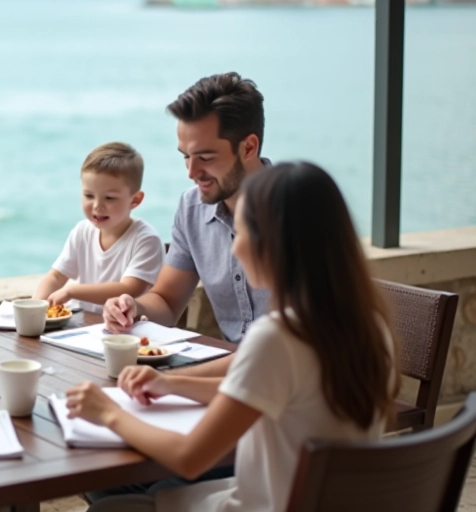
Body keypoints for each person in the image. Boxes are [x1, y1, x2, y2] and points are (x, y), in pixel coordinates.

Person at [66, 162, 401, 512]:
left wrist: (107, 413)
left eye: (241, 234)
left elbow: (189, 457)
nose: (235, 250)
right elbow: (260, 392)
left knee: (113, 505)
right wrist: (171, 383)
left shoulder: (278, 337)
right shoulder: (368, 327)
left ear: (273, 244)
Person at [103, 72, 271, 378]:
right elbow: (166, 302)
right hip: (233, 379)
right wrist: (133, 307)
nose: (192, 172)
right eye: (185, 157)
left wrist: (171, 381)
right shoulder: (191, 208)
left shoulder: (300, 214)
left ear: (248, 148)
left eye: (205, 157)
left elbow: (286, 351)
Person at [33, 142, 164, 314]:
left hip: (130, 330)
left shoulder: (146, 240)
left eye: (109, 198)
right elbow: (56, 276)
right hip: (89, 329)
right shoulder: (82, 231)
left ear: (135, 200)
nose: (97, 206)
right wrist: (35, 307)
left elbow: (130, 288)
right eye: (88, 195)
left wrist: (71, 291)